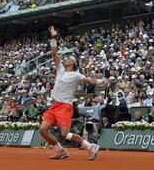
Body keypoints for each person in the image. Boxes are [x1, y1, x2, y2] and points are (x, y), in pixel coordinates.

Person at [39, 26, 106, 160]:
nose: (67, 58)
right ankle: (61, 150)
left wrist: (102, 81)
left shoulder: (76, 75)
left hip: (65, 106)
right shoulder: (61, 69)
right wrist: (53, 38)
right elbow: (54, 53)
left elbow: (90, 81)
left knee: (65, 134)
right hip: (55, 105)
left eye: (69, 58)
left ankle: (89, 146)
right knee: (43, 129)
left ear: (73, 63)